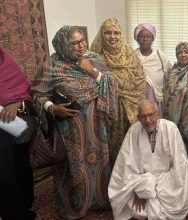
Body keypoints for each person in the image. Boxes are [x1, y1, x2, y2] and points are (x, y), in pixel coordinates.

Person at [31, 26, 118, 219]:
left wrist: (92, 71)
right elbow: (37, 93)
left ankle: (100, 201)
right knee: (74, 167)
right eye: (75, 42)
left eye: (82, 40)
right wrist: (52, 108)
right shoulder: (52, 66)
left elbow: (111, 83)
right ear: (63, 44)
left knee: (100, 162)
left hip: (97, 127)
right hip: (69, 129)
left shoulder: (94, 59)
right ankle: (76, 206)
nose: (81, 45)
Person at [108, 100, 188, 220]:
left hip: (166, 183)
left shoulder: (170, 128)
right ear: (138, 117)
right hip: (141, 182)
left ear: (158, 114)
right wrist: (139, 191)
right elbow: (125, 165)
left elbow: (180, 165)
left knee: (176, 201)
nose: (148, 120)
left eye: (150, 115)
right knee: (134, 208)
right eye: (143, 116)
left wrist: (155, 188)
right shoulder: (133, 131)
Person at [91, 18, 146, 166]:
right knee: (113, 146)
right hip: (108, 109)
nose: (113, 36)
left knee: (134, 145)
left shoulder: (129, 53)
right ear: (102, 34)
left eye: (116, 33)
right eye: (108, 32)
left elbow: (140, 78)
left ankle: (135, 176)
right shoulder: (95, 56)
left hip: (132, 107)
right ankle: (115, 179)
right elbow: (91, 83)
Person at [0, 47, 36, 220]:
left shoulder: (7, 66)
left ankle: (21, 210)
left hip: (13, 129)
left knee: (17, 170)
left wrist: (17, 104)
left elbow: (29, 99)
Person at [163, 42, 188, 161]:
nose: (183, 55)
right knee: (173, 153)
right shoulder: (170, 73)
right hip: (171, 119)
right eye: (179, 52)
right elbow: (165, 95)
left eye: (187, 52)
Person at [134, 23, 172, 114]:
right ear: (137, 39)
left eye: (148, 36)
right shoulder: (132, 56)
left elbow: (170, 74)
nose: (145, 39)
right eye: (141, 36)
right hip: (138, 98)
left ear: (153, 39)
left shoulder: (160, 55)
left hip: (157, 98)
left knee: (156, 122)